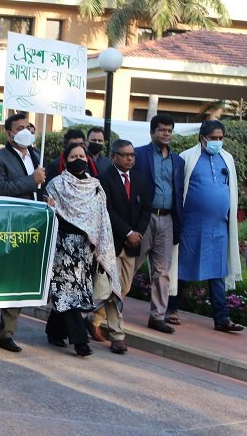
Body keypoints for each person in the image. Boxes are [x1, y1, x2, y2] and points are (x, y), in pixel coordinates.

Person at [43, 142, 118, 357]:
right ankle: (80, 342)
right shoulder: (56, 185)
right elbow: (51, 215)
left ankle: (54, 330)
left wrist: (99, 247)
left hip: (85, 250)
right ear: (65, 160)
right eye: (74, 156)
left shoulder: (95, 186)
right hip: (62, 246)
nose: (79, 160)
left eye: (82, 156)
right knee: (67, 294)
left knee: (74, 294)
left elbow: (101, 218)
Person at [0, 113, 45, 352]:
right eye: (20, 128)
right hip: (8, 226)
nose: (26, 131)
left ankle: (7, 332)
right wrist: (32, 180)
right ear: (9, 133)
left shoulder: (37, 155)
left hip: (32, 226)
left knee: (19, 279)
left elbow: (40, 189)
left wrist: (45, 195)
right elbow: (0, 189)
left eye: (29, 126)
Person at [177, 120, 243, 333]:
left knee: (218, 272)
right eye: (213, 138)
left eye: (220, 138)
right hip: (191, 226)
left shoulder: (228, 159)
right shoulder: (187, 158)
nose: (217, 142)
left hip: (218, 227)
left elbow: (231, 189)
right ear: (201, 138)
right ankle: (170, 309)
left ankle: (222, 318)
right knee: (183, 268)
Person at [93, 139, 152, 353]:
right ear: (114, 156)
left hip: (133, 244)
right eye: (125, 155)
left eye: (132, 155)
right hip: (112, 242)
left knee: (124, 287)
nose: (130, 158)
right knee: (116, 290)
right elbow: (107, 211)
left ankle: (90, 316)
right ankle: (117, 336)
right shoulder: (103, 180)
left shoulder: (141, 179)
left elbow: (146, 209)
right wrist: (127, 232)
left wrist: (138, 233)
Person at [133, 115, 185, 333]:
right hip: (144, 219)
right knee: (130, 266)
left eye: (169, 130)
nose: (166, 134)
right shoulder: (138, 154)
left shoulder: (178, 161)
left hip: (167, 219)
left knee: (162, 271)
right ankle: (107, 309)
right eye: (162, 130)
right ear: (152, 132)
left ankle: (157, 316)